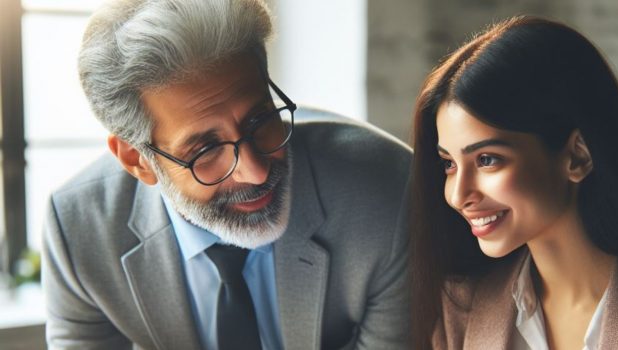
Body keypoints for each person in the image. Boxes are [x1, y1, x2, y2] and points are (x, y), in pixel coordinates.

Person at [42, 0, 411, 349]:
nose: (255, 170)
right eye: (204, 149)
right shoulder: (78, 230)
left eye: (261, 119)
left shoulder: (386, 194)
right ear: (137, 160)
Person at [409, 16, 618, 350]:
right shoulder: (458, 313)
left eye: (487, 160)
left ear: (577, 156)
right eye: (449, 164)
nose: (458, 194)